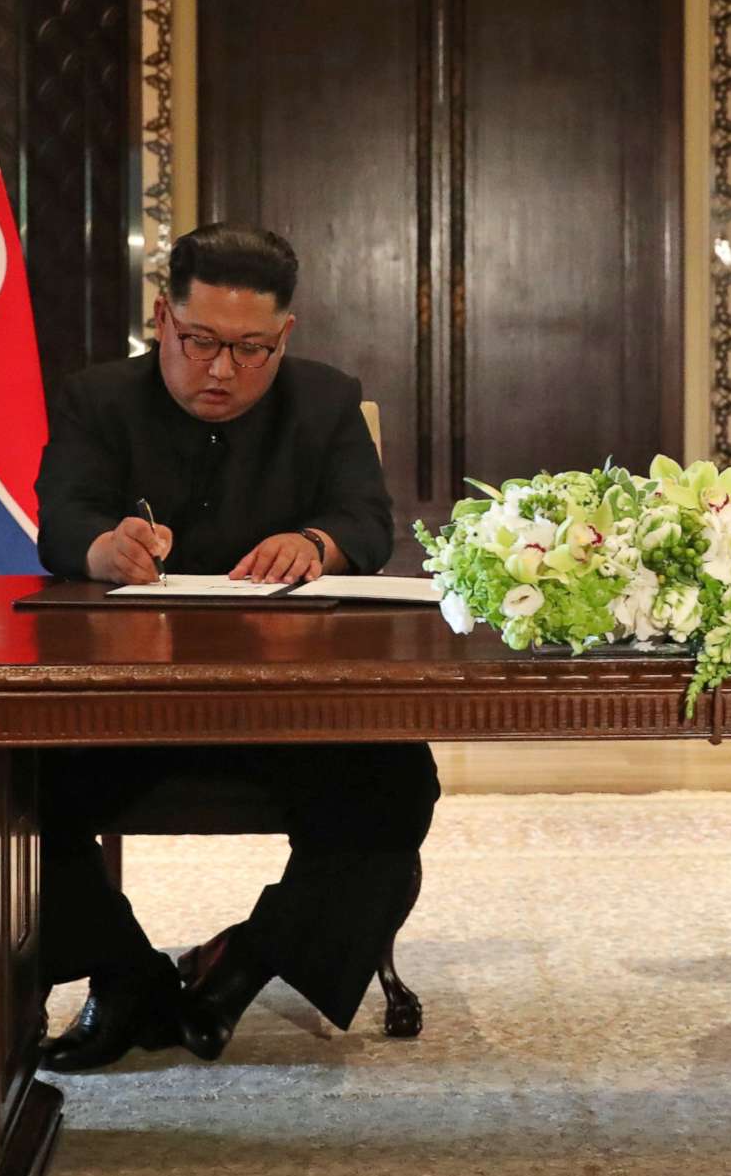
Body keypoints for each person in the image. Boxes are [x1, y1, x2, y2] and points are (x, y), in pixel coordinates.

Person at [33, 223, 434, 1069]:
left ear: (284, 336)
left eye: (250, 349)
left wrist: (318, 544)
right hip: (125, 703)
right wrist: (102, 549)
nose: (221, 370)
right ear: (160, 319)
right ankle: (123, 972)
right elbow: (62, 519)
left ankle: (244, 962)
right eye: (200, 341)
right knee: (5, 782)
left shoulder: (325, 402)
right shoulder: (97, 398)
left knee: (397, 784)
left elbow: (367, 521)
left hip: (286, 703)